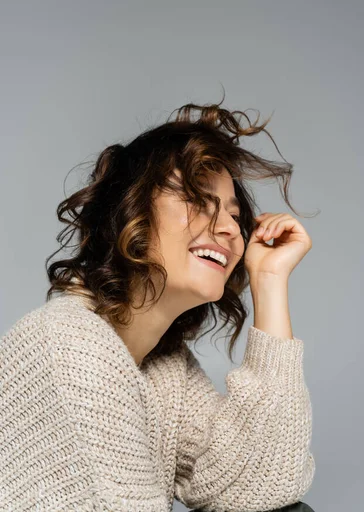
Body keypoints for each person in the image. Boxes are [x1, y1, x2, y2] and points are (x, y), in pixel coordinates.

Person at [0, 94, 316, 511]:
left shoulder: (165, 371)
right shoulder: (67, 345)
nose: (227, 229)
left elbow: (268, 479)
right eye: (198, 200)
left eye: (235, 215)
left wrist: (270, 280)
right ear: (130, 212)